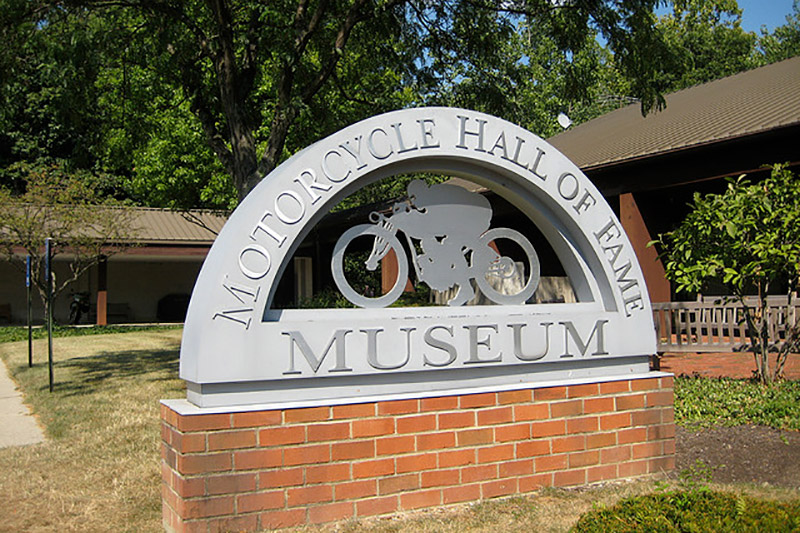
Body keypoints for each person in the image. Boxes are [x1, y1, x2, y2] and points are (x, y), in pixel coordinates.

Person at [389, 179, 493, 305]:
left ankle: (467, 286)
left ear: (421, 192)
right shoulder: (431, 199)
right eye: (412, 199)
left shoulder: (436, 199)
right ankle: (465, 282)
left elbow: (435, 225)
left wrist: (409, 219)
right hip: (469, 214)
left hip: (478, 214)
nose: (414, 202)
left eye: (414, 197)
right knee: (450, 241)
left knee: (451, 244)